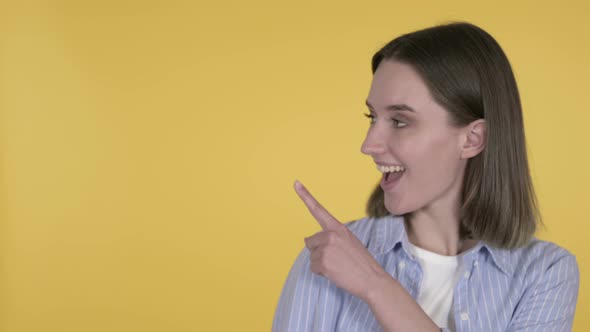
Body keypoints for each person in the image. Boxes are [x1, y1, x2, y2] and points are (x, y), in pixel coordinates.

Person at [272, 22, 580, 332]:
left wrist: (375, 286)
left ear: (472, 139)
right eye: (373, 117)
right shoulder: (329, 258)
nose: (369, 145)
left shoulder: (544, 273)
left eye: (400, 121)